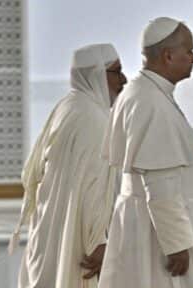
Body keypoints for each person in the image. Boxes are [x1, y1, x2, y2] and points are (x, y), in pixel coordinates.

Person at [98, 17, 193, 288]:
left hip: (150, 225)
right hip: (158, 235)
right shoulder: (149, 101)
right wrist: (176, 244)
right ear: (168, 55)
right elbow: (159, 180)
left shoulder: (143, 93)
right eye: (189, 51)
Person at [11, 43, 127, 288]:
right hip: (80, 246)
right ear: (96, 74)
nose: (124, 80)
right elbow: (93, 188)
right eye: (116, 72)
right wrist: (99, 241)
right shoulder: (93, 120)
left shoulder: (69, 107)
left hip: (52, 235)